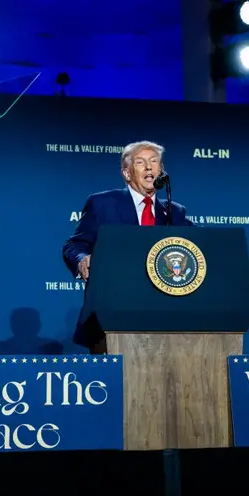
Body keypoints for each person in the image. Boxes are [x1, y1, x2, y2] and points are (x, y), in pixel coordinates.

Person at [62, 140, 193, 353]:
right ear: (127, 173)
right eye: (141, 162)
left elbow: (200, 244)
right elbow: (74, 245)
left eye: (154, 161)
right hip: (111, 312)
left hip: (164, 316)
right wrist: (82, 259)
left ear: (161, 171)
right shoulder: (102, 203)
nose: (149, 167)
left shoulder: (175, 213)